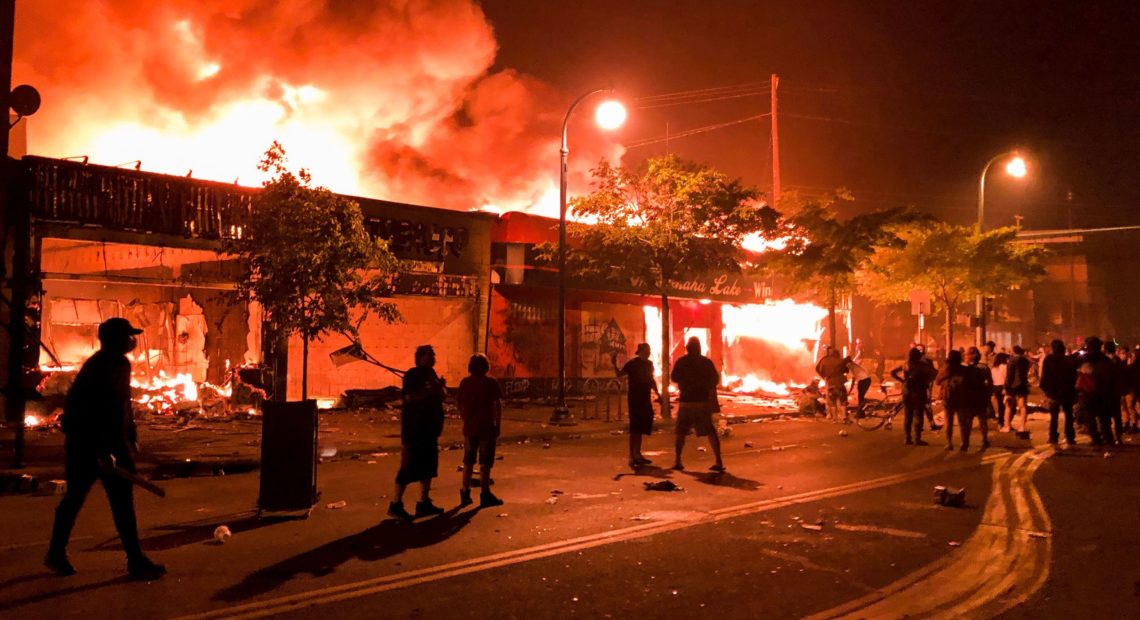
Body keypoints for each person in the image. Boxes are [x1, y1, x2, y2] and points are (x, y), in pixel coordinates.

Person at [46, 318, 166, 580]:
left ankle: (134, 559)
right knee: (80, 498)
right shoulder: (102, 367)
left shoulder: (117, 364)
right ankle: (58, 553)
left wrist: (130, 434)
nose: (131, 341)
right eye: (127, 336)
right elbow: (94, 412)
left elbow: (123, 404)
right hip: (90, 444)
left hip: (109, 443)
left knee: (118, 503)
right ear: (116, 340)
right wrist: (103, 451)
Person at [389, 345, 447, 520]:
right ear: (420, 357)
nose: (433, 358)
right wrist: (432, 390)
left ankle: (424, 502)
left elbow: (440, 395)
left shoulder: (431, 374)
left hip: (430, 430)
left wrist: (440, 388)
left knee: (429, 467)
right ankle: (396, 504)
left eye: (433, 355)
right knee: (408, 467)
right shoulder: (412, 375)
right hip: (415, 430)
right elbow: (409, 397)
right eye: (430, 355)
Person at [670, 337, 724, 472]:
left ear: (687, 348)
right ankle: (718, 460)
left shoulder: (682, 362)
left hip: (686, 403)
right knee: (710, 431)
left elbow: (674, 378)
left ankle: (678, 461)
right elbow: (715, 380)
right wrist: (704, 386)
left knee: (681, 432)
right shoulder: (706, 362)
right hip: (702, 402)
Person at [456, 354, 504, 508]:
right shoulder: (490, 383)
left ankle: (465, 492)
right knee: (485, 462)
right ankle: (485, 493)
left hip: (470, 427)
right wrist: (498, 425)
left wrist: (466, 418)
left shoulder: (465, 383)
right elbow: (497, 405)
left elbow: (460, 404)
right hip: (486, 427)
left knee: (468, 461)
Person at [613, 343, 660, 469]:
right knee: (635, 427)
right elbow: (620, 374)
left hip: (645, 398)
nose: (648, 352)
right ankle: (632, 455)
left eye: (649, 350)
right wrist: (614, 363)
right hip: (635, 398)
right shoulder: (633, 364)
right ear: (640, 351)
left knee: (642, 426)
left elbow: (651, 380)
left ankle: (637, 453)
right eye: (646, 350)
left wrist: (658, 394)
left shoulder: (649, 364)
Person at [890, 347, 936, 445]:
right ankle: (917, 439)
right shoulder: (922, 365)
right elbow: (934, 373)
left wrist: (902, 381)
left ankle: (907, 438)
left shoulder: (905, 364)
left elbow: (892, 372)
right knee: (918, 415)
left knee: (908, 415)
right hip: (919, 390)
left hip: (907, 390)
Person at [1076, 337, 1117, 445]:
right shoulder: (1106, 360)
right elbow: (1112, 377)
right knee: (1104, 418)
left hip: (1088, 393)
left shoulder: (1084, 359)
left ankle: (1096, 439)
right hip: (1104, 393)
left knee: (1091, 418)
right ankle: (1108, 438)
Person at [1039, 339, 1077, 446]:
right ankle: (1070, 437)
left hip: (1053, 392)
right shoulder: (1068, 360)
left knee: (1054, 416)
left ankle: (1053, 437)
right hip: (1067, 391)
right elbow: (1073, 376)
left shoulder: (1049, 359)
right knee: (1069, 415)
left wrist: (1046, 390)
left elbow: (1045, 376)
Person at [963, 346, 993, 450]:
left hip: (969, 398)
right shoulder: (984, 368)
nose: (965, 356)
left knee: (968, 421)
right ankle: (984, 440)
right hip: (981, 397)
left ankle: (965, 442)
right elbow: (989, 383)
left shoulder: (966, 369)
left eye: (967, 354)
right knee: (982, 420)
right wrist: (988, 396)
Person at [815, 347, 849, 423]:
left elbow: (818, 369)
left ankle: (834, 419)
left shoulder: (823, 360)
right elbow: (846, 370)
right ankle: (844, 417)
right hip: (840, 383)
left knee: (832, 402)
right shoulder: (839, 360)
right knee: (843, 401)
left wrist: (824, 376)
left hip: (830, 383)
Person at [1005, 345, 1032, 437]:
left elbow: (1009, 375)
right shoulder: (1025, 360)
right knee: (1023, 406)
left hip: (1012, 385)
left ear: (1013, 351)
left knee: (1009, 406)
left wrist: (1006, 387)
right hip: (1023, 384)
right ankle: (1022, 426)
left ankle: (1007, 426)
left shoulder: (1012, 360)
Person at [1105, 340, 1129, 442]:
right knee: (1116, 414)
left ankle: (1111, 436)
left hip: (1109, 391)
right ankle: (1117, 436)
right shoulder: (1118, 361)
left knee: (1108, 414)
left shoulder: (1107, 361)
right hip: (1115, 390)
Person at [990, 352, 1009, 430]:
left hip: (995, 387)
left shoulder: (993, 368)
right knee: (1006, 406)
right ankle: (1004, 423)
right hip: (1002, 386)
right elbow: (1006, 378)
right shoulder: (1004, 366)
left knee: (1000, 406)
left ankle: (1000, 422)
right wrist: (1005, 388)